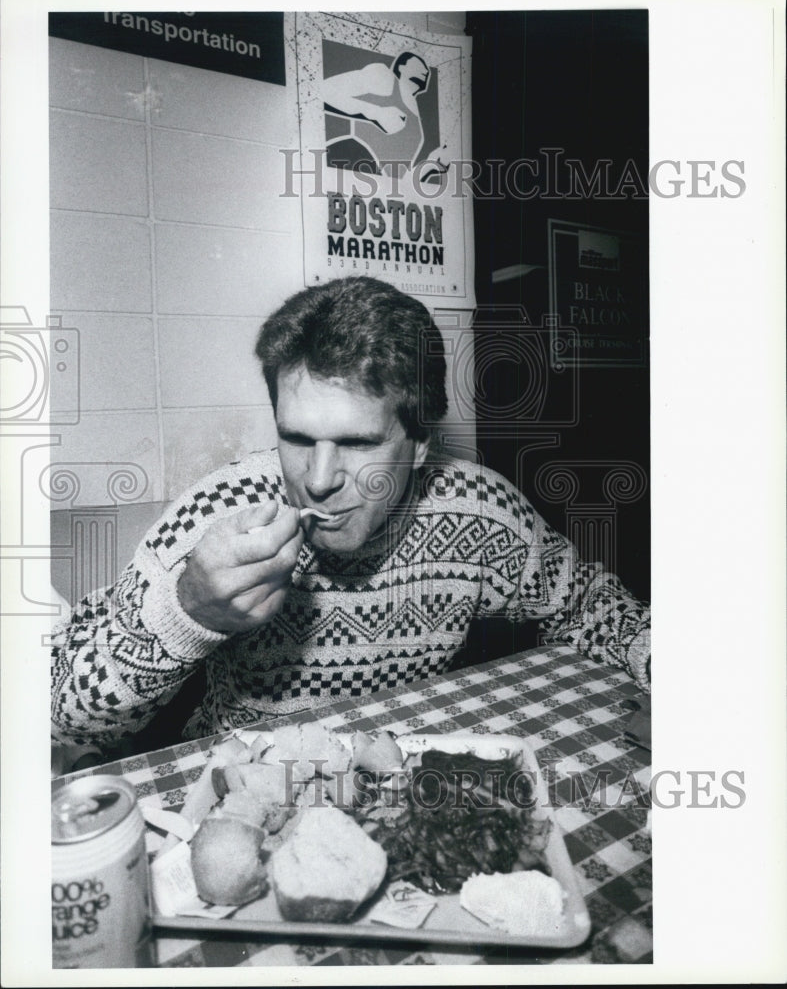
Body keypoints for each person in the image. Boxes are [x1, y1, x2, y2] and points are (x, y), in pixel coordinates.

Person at [51, 276, 650, 757]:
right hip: (250, 778)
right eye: (297, 438)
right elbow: (65, 714)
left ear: (418, 445)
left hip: (411, 773)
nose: (317, 478)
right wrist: (188, 613)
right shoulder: (221, 512)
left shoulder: (480, 511)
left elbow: (590, 607)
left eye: (358, 444)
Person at [322, 51, 450, 183]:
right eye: (417, 64)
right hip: (352, 161)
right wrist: (375, 113)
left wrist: (430, 164)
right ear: (401, 67)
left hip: (376, 183)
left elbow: (399, 182)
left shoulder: (416, 114)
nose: (425, 69)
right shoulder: (384, 77)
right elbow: (323, 90)